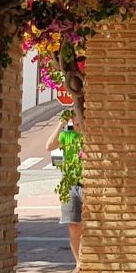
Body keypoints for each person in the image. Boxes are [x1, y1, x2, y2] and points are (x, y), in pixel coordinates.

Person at [48, 112, 84, 264]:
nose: (76, 120)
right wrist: (60, 124)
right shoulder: (67, 136)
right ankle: (78, 263)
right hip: (69, 183)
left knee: (88, 225)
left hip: (87, 183)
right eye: (73, 116)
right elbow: (49, 145)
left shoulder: (90, 136)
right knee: (73, 225)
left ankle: (87, 260)